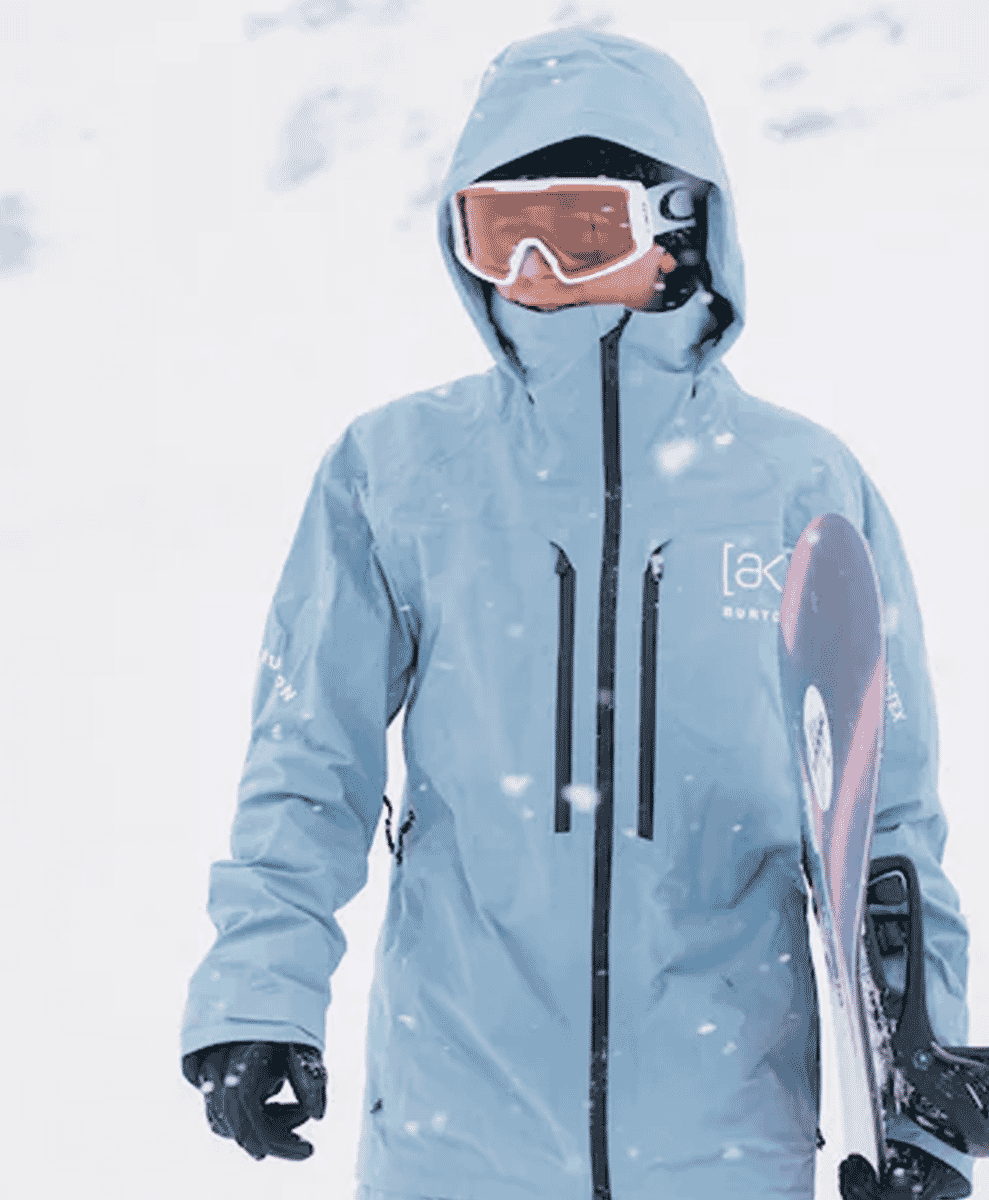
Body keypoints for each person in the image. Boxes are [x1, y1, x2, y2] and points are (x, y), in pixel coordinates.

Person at [180, 28, 974, 1200]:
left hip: (726, 1134)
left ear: (677, 223)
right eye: (500, 234)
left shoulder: (801, 488)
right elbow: (307, 759)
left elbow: (880, 823)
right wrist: (261, 988)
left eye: (578, 225)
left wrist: (913, 1092)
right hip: (456, 1132)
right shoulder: (396, 472)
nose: (536, 267)